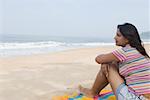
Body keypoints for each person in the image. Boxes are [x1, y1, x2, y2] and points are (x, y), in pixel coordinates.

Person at [79, 23, 150, 100]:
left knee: (107, 65)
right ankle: (93, 91)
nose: (115, 37)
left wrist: (107, 60)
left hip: (134, 98)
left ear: (127, 39)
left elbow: (98, 59)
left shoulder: (125, 52)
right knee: (113, 63)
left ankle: (92, 92)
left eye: (118, 35)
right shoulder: (140, 51)